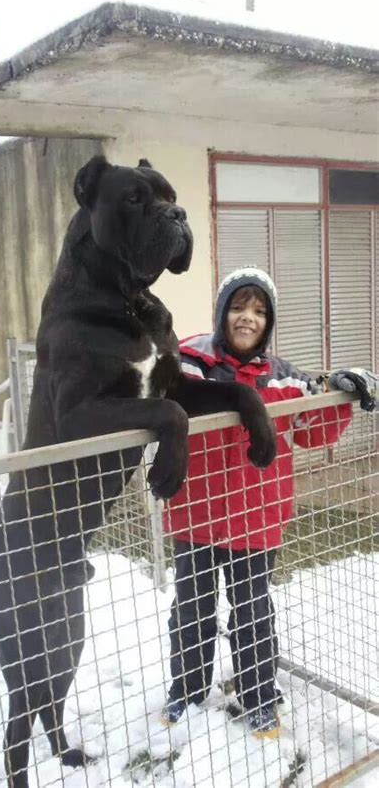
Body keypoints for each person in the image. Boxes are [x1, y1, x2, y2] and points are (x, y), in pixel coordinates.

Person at [162, 265, 377, 738]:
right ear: (222, 312)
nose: (248, 318)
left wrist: (340, 393)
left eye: (259, 311)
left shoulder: (282, 378)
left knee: (253, 610)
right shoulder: (189, 361)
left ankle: (259, 695)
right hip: (194, 514)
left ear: (269, 322)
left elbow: (314, 432)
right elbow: (162, 393)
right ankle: (186, 691)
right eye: (238, 307)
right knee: (192, 608)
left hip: (255, 519)